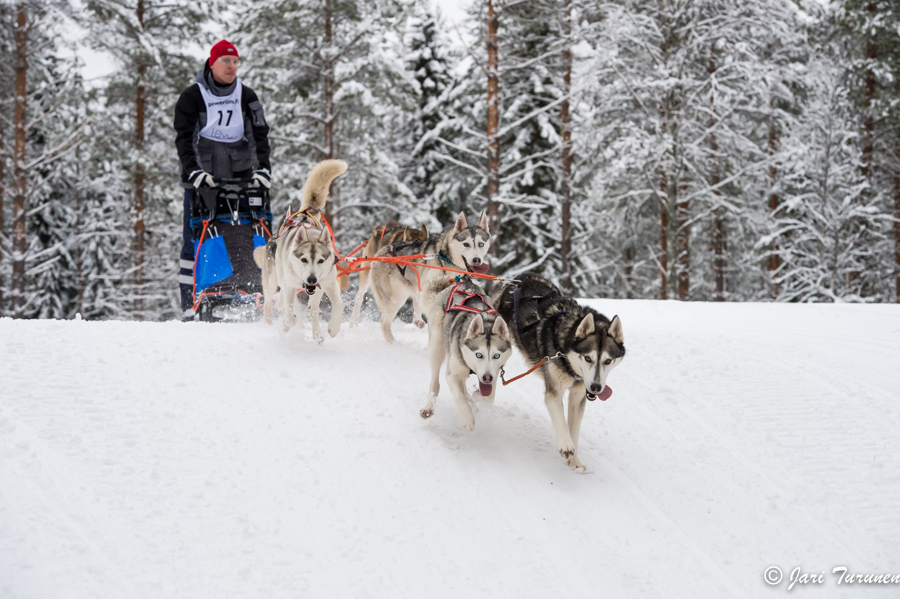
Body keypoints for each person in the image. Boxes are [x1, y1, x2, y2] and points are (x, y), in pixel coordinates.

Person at [174, 40, 272, 320]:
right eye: (226, 61)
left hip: (242, 178)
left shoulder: (246, 96)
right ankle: (189, 306)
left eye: (235, 62)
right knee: (194, 238)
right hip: (202, 178)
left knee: (255, 230)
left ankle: (258, 291)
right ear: (212, 62)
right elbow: (185, 138)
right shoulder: (193, 96)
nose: (232, 66)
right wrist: (194, 172)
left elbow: (259, 136)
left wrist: (262, 169)